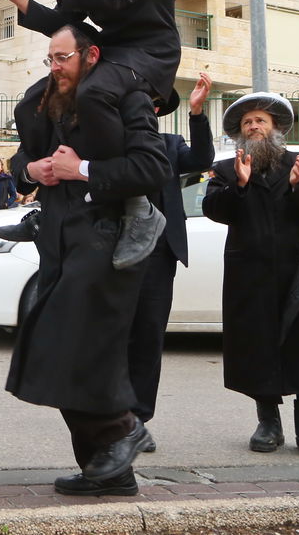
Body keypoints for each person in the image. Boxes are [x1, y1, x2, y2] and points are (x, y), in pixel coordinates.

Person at [4, 23, 169, 497]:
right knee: (56, 351)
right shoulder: (46, 102)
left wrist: (82, 170)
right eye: (50, 60)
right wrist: (31, 170)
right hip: (58, 241)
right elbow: (23, 160)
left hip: (106, 241)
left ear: (91, 55)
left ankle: (124, 429)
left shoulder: (127, 98)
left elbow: (152, 168)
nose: (55, 69)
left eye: (63, 59)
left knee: (74, 348)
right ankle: (108, 470)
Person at [0, 0, 178, 267]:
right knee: (34, 100)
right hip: (108, 57)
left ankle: (140, 208)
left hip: (150, 55)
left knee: (91, 94)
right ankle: (46, 203)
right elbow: (63, 21)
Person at [202, 92, 299, 460]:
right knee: (256, 341)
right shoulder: (229, 169)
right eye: (248, 123)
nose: (254, 126)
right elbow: (213, 208)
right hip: (250, 270)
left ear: (275, 127)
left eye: (260, 120)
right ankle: (268, 421)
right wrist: (240, 186)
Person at [128, 74, 214, 452]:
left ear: (158, 110)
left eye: (151, 103)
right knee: (115, 337)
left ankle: (138, 419)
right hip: (115, 252)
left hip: (159, 255)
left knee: (148, 337)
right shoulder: (115, 143)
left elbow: (202, 160)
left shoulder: (170, 144)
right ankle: (111, 415)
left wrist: (197, 113)